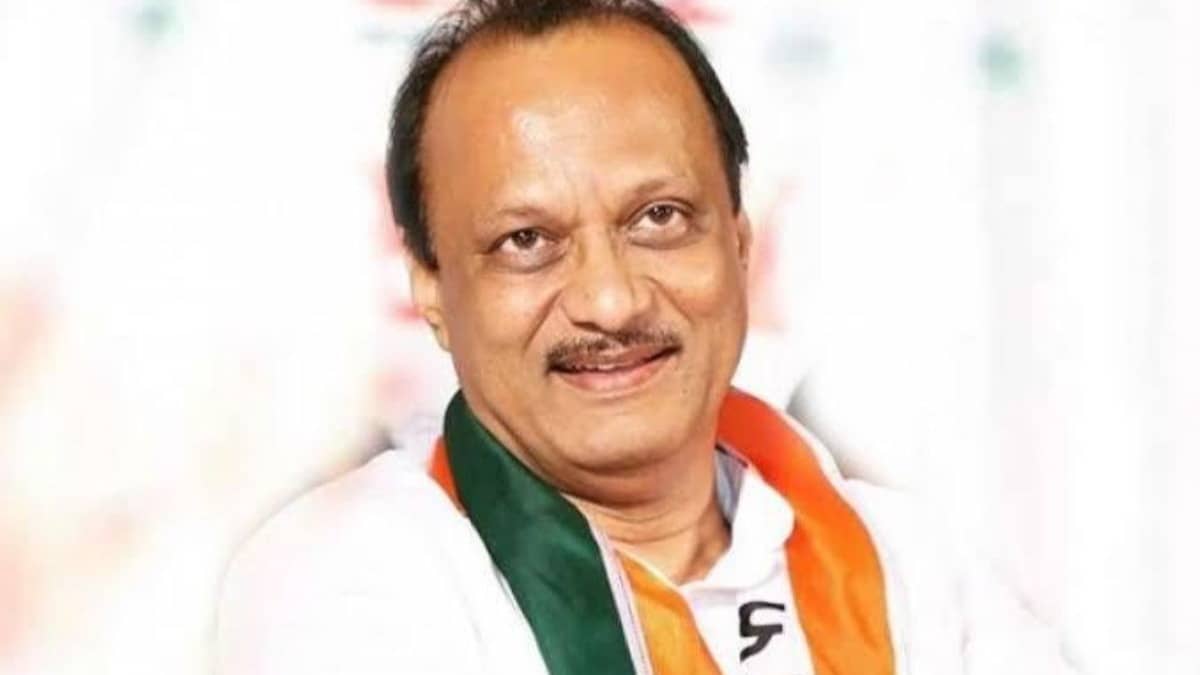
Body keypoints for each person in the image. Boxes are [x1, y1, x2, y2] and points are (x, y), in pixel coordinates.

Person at [217, 1, 1076, 673]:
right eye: (527, 240)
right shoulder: (348, 575)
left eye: (659, 218)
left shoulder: (913, 572)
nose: (611, 300)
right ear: (432, 288)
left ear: (740, 244)